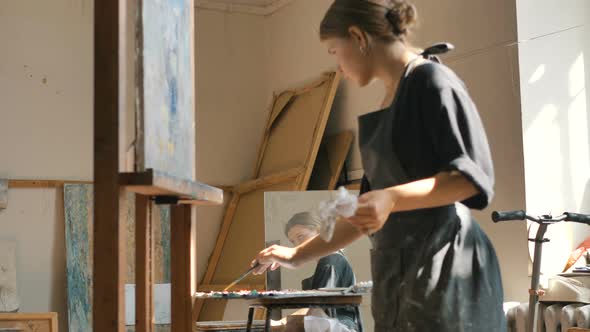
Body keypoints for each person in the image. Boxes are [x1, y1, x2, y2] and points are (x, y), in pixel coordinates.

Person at [252, 0, 506, 331]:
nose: (338, 66)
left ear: (358, 37)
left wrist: (392, 198)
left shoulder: (431, 80)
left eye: (334, 51)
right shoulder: (390, 101)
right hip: (402, 273)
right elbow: (361, 218)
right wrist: (295, 255)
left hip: (446, 267)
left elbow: (472, 178)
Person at [272, 212, 357, 331]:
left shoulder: (331, 259)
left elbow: (319, 306)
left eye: (301, 236)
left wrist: (280, 322)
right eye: (293, 242)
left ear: (319, 232)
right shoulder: (331, 259)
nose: (297, 245)